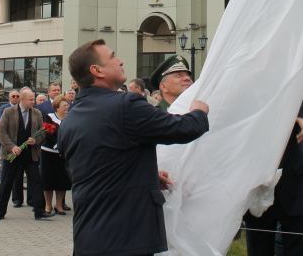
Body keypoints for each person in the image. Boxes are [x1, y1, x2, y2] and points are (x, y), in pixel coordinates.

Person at [57, 39, 210, 256]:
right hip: (127, 240)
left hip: (88, 237)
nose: (119, 61)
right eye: (112, 57)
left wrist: (144, 175)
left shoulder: (69, 120)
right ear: (96, 70)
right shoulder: (124, 104)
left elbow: (91, 171)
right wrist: (198, 111)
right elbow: (183, 129)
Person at [243, 99, 303, 256]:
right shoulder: (246, 98)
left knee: (298, 250)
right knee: (258, 248)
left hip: (294, 188)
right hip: (257, 187)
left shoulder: (295, 96)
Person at [0, 88, 53, 221]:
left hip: (30, 154)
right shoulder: (9, 112)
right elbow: (1, 131)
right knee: (6, 182)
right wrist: (12, 147)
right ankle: (0, 211)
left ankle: (40, 211)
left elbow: (42, 132)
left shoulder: (36, 113)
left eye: (34, 99)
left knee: (36, 181)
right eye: (30, 100)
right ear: (22, 100)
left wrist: (35, 141)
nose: (33, 102)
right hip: (13, 153)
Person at [40, 94, 73, 216]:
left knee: (62, 180)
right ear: (57, 107)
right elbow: (48, 133)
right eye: (64, 105)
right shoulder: (49, 117)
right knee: (48, 180)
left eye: (67, 105)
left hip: (63, 154)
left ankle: (59, 205)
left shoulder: (70, 118)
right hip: (49, 153)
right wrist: (56, 146)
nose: (67, 107)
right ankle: (48, 206)